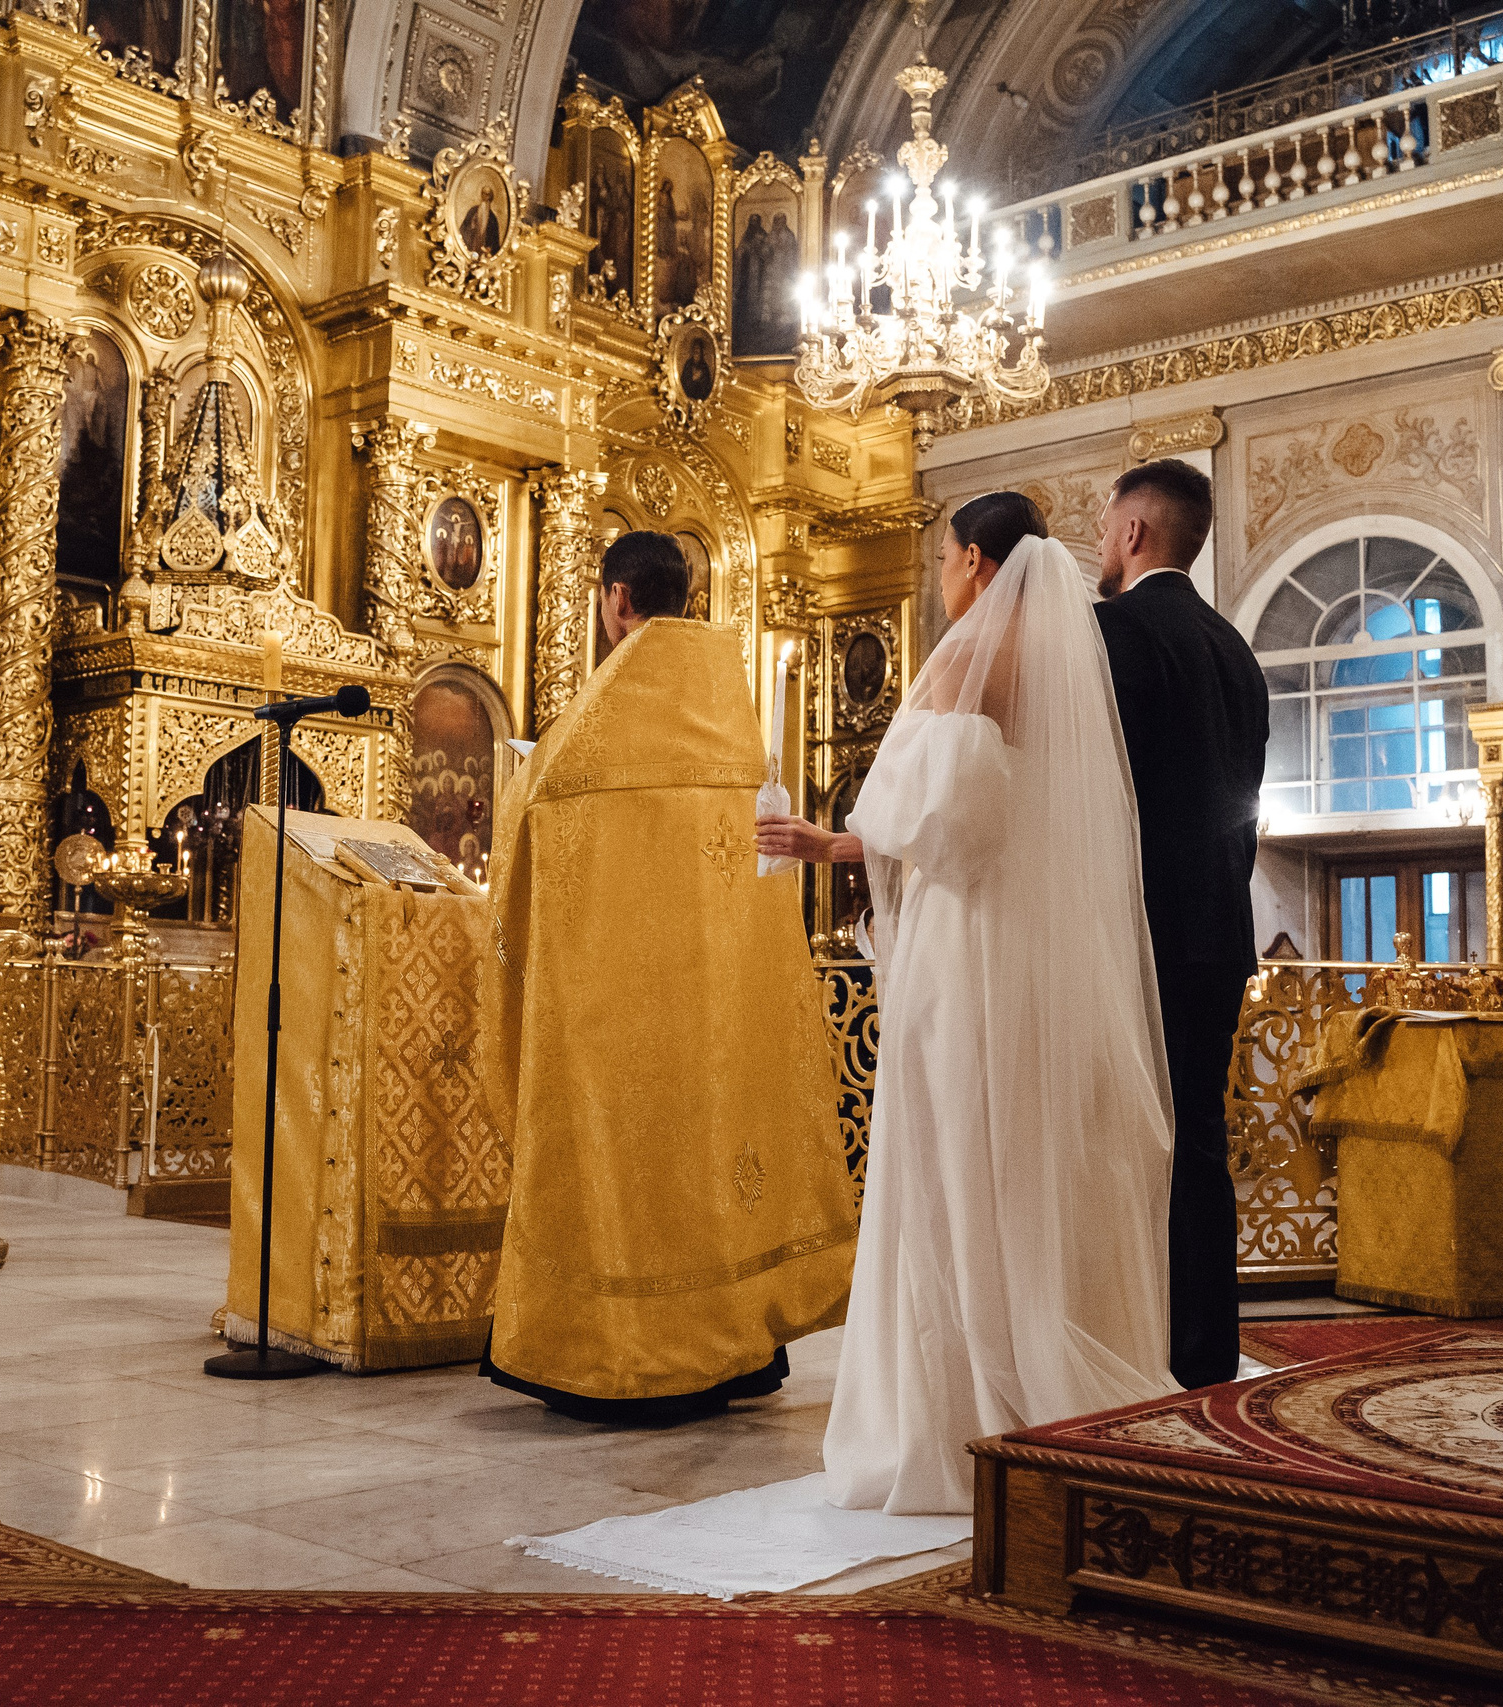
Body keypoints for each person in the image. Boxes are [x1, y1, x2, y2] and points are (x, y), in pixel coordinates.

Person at [757, 492, 1179, 1513]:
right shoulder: (1064, 674)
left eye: (943, 559)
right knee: (1020, 1157)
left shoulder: (961, 661)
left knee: (951, 1160)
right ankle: (1051, 1369)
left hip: (962, 948)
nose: (939, 578)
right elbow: (994, 821)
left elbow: (936, 827)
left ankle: (959, 1415)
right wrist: (847, 842)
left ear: (978, 562)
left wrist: (840, 834)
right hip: (1034, 951)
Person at [482, 530, 856, 1424]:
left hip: (614, 1011)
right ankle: (731, 1346)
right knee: (716, 1158)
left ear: (617, 598)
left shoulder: (588, 731)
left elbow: (523, 828)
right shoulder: (733, 710)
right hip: (723, 1010)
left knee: (630, 1168)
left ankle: (625, 1351)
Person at [1092, 460, 1269, 1391]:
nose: (1095, 541)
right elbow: (1245, 804)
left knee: (1131, 1140)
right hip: (1221, 934)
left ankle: (1136, 1338)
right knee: (1200, 1135)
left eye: (1102, 523)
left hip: (1140, 934)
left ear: (1133, 534)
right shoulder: (1233, 646)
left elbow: (1101, 795)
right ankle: (1205, 1348)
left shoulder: (1116, 630)